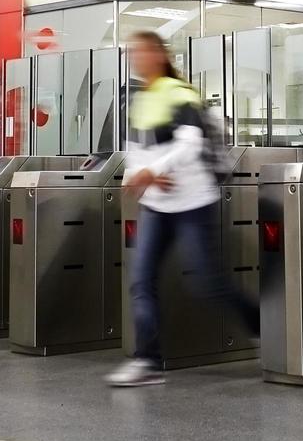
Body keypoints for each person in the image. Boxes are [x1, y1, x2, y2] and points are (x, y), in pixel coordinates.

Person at [105, 31, 257, 388]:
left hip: (192, 202)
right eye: (132, 53)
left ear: (159, 55)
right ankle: (148, 361)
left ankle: (263, 326)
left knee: (207, 282)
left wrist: (152, 171)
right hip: (157, 206)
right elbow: (133, 151)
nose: (136, 58)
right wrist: (139, 175)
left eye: (141, 52)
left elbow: (190, 145)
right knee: (141, 281)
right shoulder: (139, 99)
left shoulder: (180, 94)